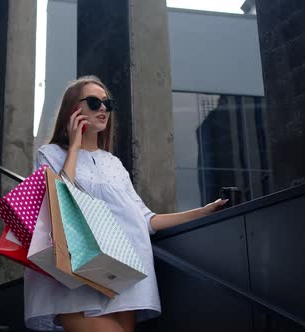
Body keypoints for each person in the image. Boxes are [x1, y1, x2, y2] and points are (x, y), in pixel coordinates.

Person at [24, 75, 228, 332]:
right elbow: (59, 202)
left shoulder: (114, 164)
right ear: (74, 109)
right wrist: (74, 146)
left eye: (107, 104)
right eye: (94, 102)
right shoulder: (50, 154)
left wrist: (204, 211)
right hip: (76, 273)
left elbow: (146, 218)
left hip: (123, 271)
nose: (103, 109)